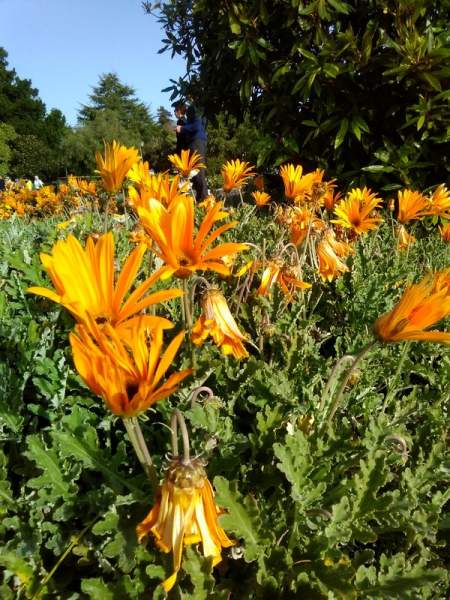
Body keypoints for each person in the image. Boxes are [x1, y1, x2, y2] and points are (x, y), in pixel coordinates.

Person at [176, 104, 208, 202]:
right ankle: (201, 197)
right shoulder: (196, 109)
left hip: (196, 142)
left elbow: (197, 126)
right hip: (196, 142)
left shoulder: (196, 108)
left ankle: (204, 199)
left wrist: (182, 129)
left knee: (198, 171)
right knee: (195, 172)